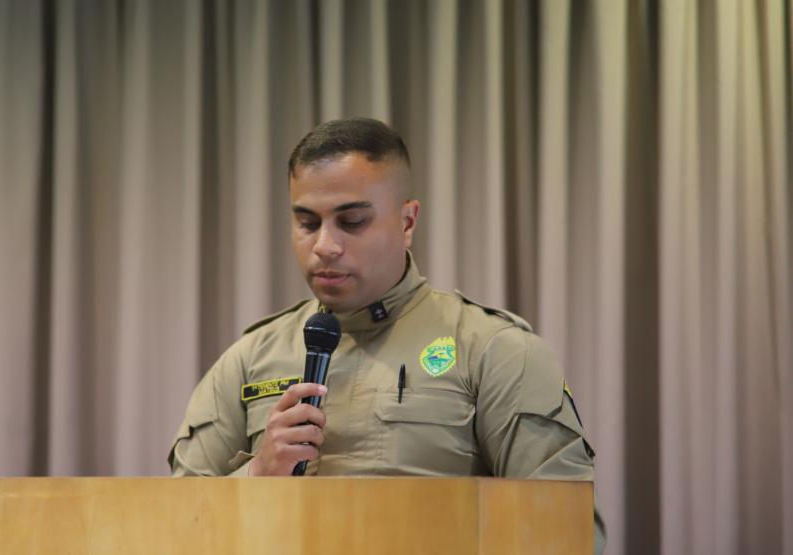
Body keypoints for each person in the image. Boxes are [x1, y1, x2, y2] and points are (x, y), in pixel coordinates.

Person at [168, 117, 605, 552]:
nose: (324, 245)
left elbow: (566, 530)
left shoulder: (493, 349)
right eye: (306, 222)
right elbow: (170, 528)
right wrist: (257, 475)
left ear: (407, 222)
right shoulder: (249, 358)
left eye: (352, 221)